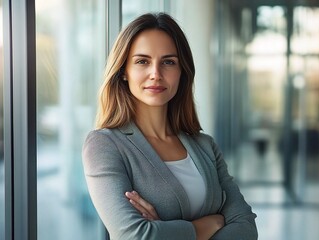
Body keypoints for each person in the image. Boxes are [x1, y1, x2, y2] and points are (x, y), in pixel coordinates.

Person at [82, 12, 258, 240]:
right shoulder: (104, 145)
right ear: (124, 71)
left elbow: (246, 229)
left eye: (168, 62)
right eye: (142, 61)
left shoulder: (205, 146)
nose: (155, 74)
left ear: (181, 72)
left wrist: (164, 231)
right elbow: (135, 236)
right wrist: (205, 226)